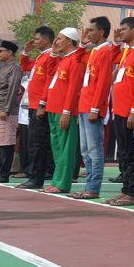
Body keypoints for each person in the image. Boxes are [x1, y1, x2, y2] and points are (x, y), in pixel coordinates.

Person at [104, 17, 134, 207]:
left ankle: (132, 192)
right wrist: (116, 44)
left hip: (131, 112)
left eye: (124, 29)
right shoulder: (128, 52)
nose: (120, 32)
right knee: (124, 153)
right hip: (120, 110)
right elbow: (112, 58)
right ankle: (125, 189)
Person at [38, 28, 86, 194]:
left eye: (59, 39)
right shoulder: (62, 59)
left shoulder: (76, 60)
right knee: (57, 147)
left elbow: (74, 89)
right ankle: (56, 180)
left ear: (69, 41)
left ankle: (63, 183)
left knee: (65, 148)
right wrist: (53, 52)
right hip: (53, 107)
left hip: (64, 111)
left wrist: (67, 111)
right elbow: (50, 72)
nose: (56, 42)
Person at [72, 16, 114, 199]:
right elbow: (78, 60)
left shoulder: (105, 51)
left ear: (102, 32)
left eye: (91, 30)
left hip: (92, 108)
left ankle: (93, 187)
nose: (88, 33)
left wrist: (96, 108)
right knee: (84, 150)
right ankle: (89, 185)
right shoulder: (94, 51)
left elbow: (104, 82)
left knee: (94, 150)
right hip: (84, 105)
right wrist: (82, 44)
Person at [17, 27, 59, 190]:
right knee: (33, 143)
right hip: (32, 105)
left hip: (40, 106)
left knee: (38, 144)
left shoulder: (50, 57)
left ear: (47, 39)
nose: (34, 41)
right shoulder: (41, 57)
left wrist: (43, 103)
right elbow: (25, 66)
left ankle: (37, 178)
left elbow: (49, 82)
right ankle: (33, 176)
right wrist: (26, 52)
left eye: (37, 39)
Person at [0, 41, 23, 183]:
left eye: (1, 51)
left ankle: (3, 174)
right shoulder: (2, 68)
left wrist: (6, 109)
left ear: (10, 53)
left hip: (5, 110)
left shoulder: (14, 68)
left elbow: (13, 90)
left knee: (6, 143)